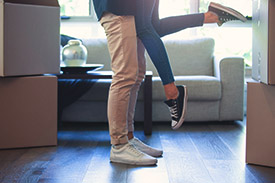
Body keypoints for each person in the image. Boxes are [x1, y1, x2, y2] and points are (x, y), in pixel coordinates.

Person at [92, 0, 247, 166]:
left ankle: (128, 138)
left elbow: (154, 27)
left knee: (136, 76)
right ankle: (119, 145)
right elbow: (146, 28)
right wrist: (170, 85)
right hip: (118, 9)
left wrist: (204, 18)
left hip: (129, 12)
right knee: (124, 75)